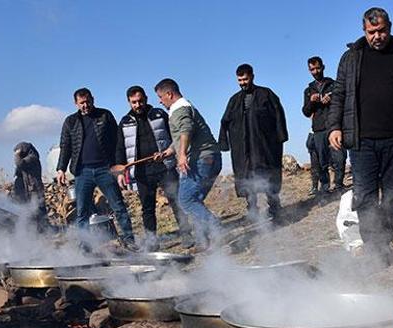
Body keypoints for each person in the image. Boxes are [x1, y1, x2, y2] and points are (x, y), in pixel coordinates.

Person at [328, 7, 393, 263]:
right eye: (372, 32)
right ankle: (374, 249)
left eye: (382, 30)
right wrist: (334, 126)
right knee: (364, 196)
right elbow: (339, 95)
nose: (377, 36)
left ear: (390, 27)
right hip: (361, 141)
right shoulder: (350, 58)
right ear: (364, 30)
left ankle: (383, 241)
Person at [56, 88, 136, 249]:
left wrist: (119, 165)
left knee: (118, 206)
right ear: (76, 103)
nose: (85, 105)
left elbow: (117, 141)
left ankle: (130, 241)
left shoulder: (104, 115)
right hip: (82, 172)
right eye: (82, 103)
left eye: (88, 101)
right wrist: (61, 169)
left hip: (105, 169)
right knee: (82, 212)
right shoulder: (70, 122)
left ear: (93, 99)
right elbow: (65, 146)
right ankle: (85, 247)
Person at [117, 86, 194, 250]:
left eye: (140, 101)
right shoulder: (125, 122)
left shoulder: (159, 114)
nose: (138, 105)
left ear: (146, 98)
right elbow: (120, 148)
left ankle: (186, 234)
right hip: (142, 172)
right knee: (147, 208)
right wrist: (121, 172)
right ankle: (152, 241)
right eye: (134, 102)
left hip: (165, 167)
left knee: (176, 201)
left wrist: (175, 154)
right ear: (129, 102)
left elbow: (174, 134)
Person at [155, 79, 223, 250]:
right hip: (211, 157)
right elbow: (180, 137)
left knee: (185, 200)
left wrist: (182, 155)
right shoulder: (184, 107)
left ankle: (216, 228)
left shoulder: (179, 109)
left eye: (161, 97)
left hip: (200, 160)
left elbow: (186, 129)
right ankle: (204, 241)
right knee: (195, 200)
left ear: (169, 94)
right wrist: (168, 152)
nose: (160, 101)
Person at [219, 64, 288, 220]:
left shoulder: (266, 94)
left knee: (268, 177)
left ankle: (275, 209)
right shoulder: (234, 100)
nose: (243, 82)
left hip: (264, 146)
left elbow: (278, 114)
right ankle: (252, 210)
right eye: (240, 80)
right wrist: (223, 142)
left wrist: (280, 137)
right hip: (242, 148)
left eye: (245, 79)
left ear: (252, 77)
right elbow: (224, 121)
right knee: (247, 178)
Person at [303, 56, 344, 195]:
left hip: (334, 126)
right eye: (312, 69)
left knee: (339, 157)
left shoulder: (334, 85)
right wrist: (312, 102)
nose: (315, 71)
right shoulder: (308, 90)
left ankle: (338, 185)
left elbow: (343, 102)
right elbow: (306, 112)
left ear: (323, 67)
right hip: (319, 129)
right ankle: (325, 187)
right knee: (322, 161)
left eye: (317, 68)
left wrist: (332, 99)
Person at [12, 141, 47, 221]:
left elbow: (20, 164)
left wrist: (17, 155)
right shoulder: (27, 159)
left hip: (34, 190)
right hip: (28, 190)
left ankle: (44, 229)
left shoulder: (32, 158)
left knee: (38, 211)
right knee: (30, 213)